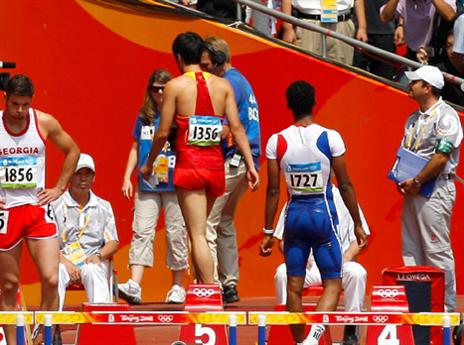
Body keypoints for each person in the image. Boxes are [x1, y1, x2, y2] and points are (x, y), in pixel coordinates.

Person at [141, 32, 259, 285]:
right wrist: (251, 165)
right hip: (216, 167)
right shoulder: (223, 85)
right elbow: (237, 129)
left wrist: (149, 163)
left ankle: (209, 291)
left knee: (197, 235)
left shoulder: (175, 86)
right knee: (202, 231)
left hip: (190, 168)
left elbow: (163, 132)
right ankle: (204, 288)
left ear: (179, 57)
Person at [260, 80, 367, 345]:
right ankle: (312, 339)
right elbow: (344, 184)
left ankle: (301, 342)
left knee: (293, 287)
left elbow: (273, 191)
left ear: (289, 106)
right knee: (333, 282)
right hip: (322, 216)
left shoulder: (277, 140)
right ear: (314, 103)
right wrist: (356, 222)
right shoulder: (330, 137)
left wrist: (268, 232)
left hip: (294, 216)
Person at [0, 74, 80, 344]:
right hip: (6, 212)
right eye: (14, 105)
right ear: (5, 100)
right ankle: (12, 343)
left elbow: (72, 151)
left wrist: (58, 187)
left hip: (36, 209)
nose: (20, 110)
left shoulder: (43, 122)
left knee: (51, 277)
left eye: (24, 105)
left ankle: (44, 337)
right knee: (9, 285)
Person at [391, 65, 462, 312]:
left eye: (415, 82)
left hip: (436, 189)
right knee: (410, 249)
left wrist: (418, 181)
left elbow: (442, 156)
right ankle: (417, 308)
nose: (410, 85)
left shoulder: (446, 116)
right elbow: (406, 153)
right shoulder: (413, 118)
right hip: (413, 189)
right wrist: (402, 180)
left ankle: (445, 310)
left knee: (436, 250)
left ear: (427, 87)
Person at [118, 69, 189, 305]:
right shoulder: (145, 116)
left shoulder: (180, 116)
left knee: (175, 233)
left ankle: (178, 286)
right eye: (155, 88)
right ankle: (135, 285)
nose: (159, 93)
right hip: (147, 184)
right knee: (142, 231)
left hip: (174, 183)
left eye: (163, 88)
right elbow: (135, 147)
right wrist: (127, 177)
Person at [200, 36, 261, 303]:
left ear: (218, 61)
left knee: (205, 225)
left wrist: (191, 133)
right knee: (224, 221)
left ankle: (209, 285)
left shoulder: (228, 84)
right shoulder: (240, 80)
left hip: (233, 159)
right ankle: (230, 283)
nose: (202, 71)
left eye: (205, 64)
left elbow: (226, 128)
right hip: (245, 159)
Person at [273, 185, 370, 345]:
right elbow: (282, 240)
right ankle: (286, 327)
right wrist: (300, 258)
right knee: (282, 272)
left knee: (357, 273)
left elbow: (360, 239)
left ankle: (351, 329)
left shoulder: (346, 199)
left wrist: (347, 256)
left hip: (339, 264)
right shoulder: (297, 197)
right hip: (308, 266)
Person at [54, 153, 119, 310]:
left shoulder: (104, 206)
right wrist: (67, 263)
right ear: (70, 176)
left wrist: (98, 255)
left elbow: (113, 242)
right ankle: (52, 327)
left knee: (93, 270)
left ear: (93, 178)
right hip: (63, 260)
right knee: (56, 273)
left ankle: (100, 324)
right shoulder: (55, 206)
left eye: (87, 174)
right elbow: (48, 244)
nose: (83, 179)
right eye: (78, 174)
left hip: (92, 259)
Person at [281, 0, 368, 65]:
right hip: (309, 24)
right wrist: (287, 28)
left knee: (341, 72)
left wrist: (362, 27)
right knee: (308, 68)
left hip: (341, 24)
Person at [380, 0, 456, 61]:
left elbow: (450, 15)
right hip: (413, 53)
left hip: (438, 55)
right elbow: (385, 17)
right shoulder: (405, 2)